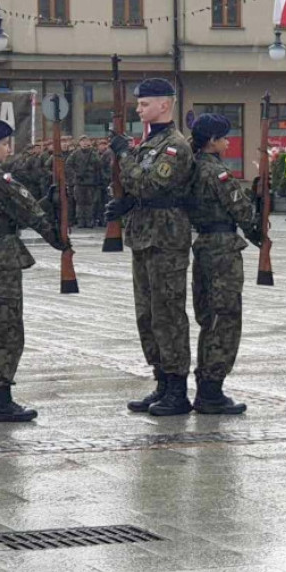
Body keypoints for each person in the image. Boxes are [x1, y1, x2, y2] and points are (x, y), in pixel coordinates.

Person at [0, 118, 69, 422]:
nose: (9, 149)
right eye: (5, 143)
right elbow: (30, 212)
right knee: (7, 329)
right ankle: (0, 400)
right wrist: (59, 240)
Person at [105, 78, 195, 416]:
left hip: (166, 238)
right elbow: (136, 185)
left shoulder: (174, 145)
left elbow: (152, 183)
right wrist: (125, 204)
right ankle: (161, 381)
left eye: (144, 104)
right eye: (138, 104)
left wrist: (124, 155)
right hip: (144, 235)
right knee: (147, 315)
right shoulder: (149, 143)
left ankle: (177, 389)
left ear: (164, 105)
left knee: (168, 313)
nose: (139, 109)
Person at [187, 114, 262, 414]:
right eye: (224, 137)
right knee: (226, 318)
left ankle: (206, 383)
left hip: (204, 245)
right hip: (222, 249)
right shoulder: (217, 172)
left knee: (209, 319)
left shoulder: (191, 169)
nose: (228, 142)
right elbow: (243, 212)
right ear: (212, 141)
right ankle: (212, 390)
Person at [66, 137, 102, 228]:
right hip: (79, 181)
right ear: (80, 143)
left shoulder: (93, 154)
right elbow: (68, 165)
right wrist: (74, 175)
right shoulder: (75, 154)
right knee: (79, 202)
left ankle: (89, 220)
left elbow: (99, 165)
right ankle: (80, 221)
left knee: (90, 202)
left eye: (87, 141)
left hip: (90, 182)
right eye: (83, 141)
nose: (85, 143)